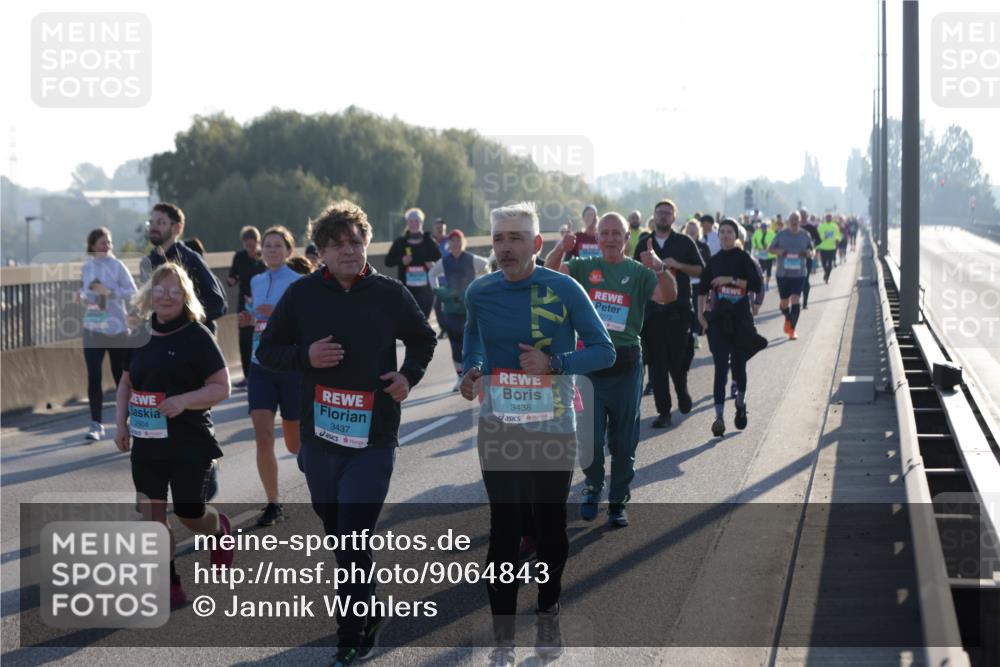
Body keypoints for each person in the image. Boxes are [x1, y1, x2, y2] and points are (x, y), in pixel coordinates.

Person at [256, 200, 436, 666]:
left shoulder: (388, 293)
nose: (349, 251)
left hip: (373, 436)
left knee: (353, 535)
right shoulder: (301, 297)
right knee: (338, 532)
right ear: (320, 252)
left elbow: (423, 338)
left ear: (366, 243)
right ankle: (369, 602)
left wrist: (408, 376)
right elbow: (268, 349)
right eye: (337, 245)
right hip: (320, 437)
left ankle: (349, 635)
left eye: (355, 242)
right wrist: (305, 357)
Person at [461, 202, 615, 665]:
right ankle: (504, 640)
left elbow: (605, 352)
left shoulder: (563, 288)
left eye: (516, 238)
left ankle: (548, 607)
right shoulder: (479, 292)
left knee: (549, 526)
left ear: (536, 244)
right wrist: (470, 372)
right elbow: (473, 342)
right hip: (498, 426)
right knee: (504, 531)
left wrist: (555, 364)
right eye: (499, 239)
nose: (506, 248)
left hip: (551, 425)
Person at [114, 262, 234, 608]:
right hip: (147, 443)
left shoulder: (197, 336)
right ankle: (169, 583)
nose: (166, 297)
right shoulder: (138, 335)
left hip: (189, 441)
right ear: (150, 295)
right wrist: (120, 424)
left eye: (174, 292)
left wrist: (183, 401)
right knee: (151, 515)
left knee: (189, 514)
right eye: (160, 290)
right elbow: (126, 383)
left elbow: (221, 386)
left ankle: (218, 532)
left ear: (184, 297)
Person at [546, 212, 676, 527]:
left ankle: (618, 502)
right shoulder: (583, 267)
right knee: (588, 438)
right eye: (604, 233)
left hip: (626, 365)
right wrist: (561, 248)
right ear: (598, 238)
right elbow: (548, 274)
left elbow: (668, 295)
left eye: (616, 233)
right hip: (589, 366)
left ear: (626, 238)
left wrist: (658, 266)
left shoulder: (639, 271)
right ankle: (593, 487)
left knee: (623, 441)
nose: (610, 239)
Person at [237, 226, 304, 527]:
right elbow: (259, 317)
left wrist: (274, 315)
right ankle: (273, 502)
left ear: (289, 251)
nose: (272, 250)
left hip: (289, 367)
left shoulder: (299, 282)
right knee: (263, 437)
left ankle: (321, 482)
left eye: (278, 245)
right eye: (267, 245)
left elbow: (304, 325)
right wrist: (250, 318)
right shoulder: (256, 279)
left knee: (294, 444)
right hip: (260, 365)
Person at [633, 200, 705, 428]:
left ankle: (682, 392)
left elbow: (700, 270)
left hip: (679, 310)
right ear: (653, 216)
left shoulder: (684, 242)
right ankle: (664, 412)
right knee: (657, 365)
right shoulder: (644, 243)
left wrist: (678, 264)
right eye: (659, 213)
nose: (663, 217)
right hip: (652, 312)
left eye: (667, 213)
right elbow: (634, 275)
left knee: (679, 361)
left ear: (674, 217)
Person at [697, 220, 766, 436]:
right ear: (718, 236)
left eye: (730, 232)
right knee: (719, 368)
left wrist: (731, 280)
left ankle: (741, 403)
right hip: (718, 321)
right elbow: (701, 288)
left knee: (738, 365)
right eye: (723, 232)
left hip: (740, 321)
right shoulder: (714, 260)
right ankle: (718, 418)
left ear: (736, 235)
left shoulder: (743, 257)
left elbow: (756, 285)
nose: (725, 235)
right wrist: (700, 316)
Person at [81, 227, 137, 441]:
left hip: (117, 328)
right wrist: (88, 296)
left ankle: (126, 421)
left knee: (120, 376)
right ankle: (96, 424)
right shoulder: (87, 267)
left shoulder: (117, 266)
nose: (108, 246)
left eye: (110, 242)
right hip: (94, 327)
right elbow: (85, 292)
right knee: (94, 376)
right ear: (93, 245)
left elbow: (132, 292)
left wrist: (111, 293)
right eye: (103, 242)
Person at [142, 202, 228, 334]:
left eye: (160, 222)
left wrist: (184, 317)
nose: (153, 227)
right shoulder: (148, 262)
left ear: (177, 228)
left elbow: (217, 303)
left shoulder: (191, 259)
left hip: (192, 341)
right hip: (160, 338)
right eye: (151, 222)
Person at [428, 229, 489, 390]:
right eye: (452, 240)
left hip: (469, 309)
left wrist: (481, 285)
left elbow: (488, 265)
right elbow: (432, 274)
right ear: (449, 243)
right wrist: (438, 290)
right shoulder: (444, 261)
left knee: (471, 343)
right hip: (451, 309)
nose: (455, 243)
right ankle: (460, 377)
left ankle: (475, 374)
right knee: (455, 345)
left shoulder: (472, 259)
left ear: (463, 242)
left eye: (458, 240)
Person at [384, 207, 442, 319]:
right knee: (409, 320)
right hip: (406, 290)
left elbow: (441, 263)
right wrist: (401, 260)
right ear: (407, 222)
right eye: (411, 221)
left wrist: (433, 266)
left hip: (426, 291)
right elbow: (388, 261)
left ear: (421, 222)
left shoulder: (429, 242)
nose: (414, 223)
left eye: (417, 220)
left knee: (423, 320)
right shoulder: (400, 242)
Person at [228, 226, 266, 389]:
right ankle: (247, 376)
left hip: (261, 305)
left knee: (260, 338)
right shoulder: (239, 257)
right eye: (247, 246)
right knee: (244, 340)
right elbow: (233, 276)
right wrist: (231, 281)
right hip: (244, 305)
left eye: (252, 245)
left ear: (258, 243)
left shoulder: (264, 258)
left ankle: (263, 373)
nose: (249, 249)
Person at [768, 211, 815, 340]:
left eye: (797, 219)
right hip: (783, 274)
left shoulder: (805, 235)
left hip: (799, 273)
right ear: (788, 221)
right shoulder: (781, 235)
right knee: (784, 303)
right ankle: (788, 318)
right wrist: (779, 251)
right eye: (792, 219)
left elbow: (812, 250)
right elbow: (770, 249)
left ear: (800, 221)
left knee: (795, 300)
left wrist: (809, 253)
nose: (794, 221)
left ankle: (792, 330)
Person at [684, 219, 712, 350]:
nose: (692, 232)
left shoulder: (704, 247)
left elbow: (707, 267)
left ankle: (695, 335)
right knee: (685, 309)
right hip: (683, 284)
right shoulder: (681, 245)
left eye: (694, 230)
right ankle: (686, 333)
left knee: (697, 310)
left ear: (698, 232)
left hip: (699, 284)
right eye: (689, 230)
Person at [750, 220, 776, 289]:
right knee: (761, 269)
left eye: (765, 227)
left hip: (769, 255)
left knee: (769, 270)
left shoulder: (771, 233)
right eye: (762, 227)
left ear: (767, 227)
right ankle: (762, 283)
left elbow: (775, 241)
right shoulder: (757, 232)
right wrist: (756, 246)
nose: (763, 228)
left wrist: (770, 246)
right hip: (761, 253)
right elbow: (753, 240)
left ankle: (767, 284)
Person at [817, 213, 842, 283]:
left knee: (830, 264)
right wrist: (824, 237)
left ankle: (827, 277)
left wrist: (837, 239)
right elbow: (818, 236)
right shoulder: (821, 226)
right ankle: (826, 273)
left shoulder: (835, 226)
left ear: (832, 218)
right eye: (827, 217)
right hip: (823, 248)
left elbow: (838, 235)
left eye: (830, 217)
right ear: (825, 218)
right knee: (824, 264)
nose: (829, 218)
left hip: (832, 248)